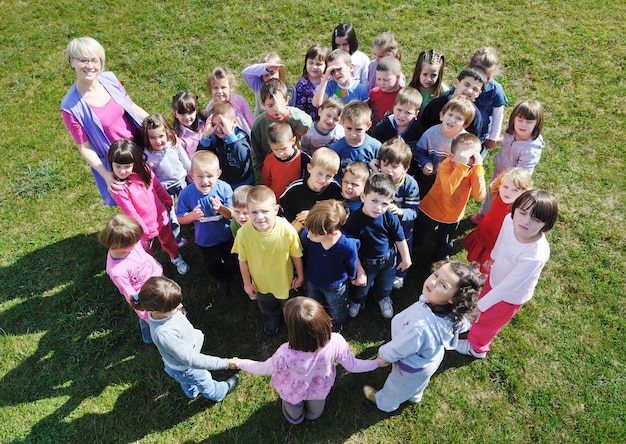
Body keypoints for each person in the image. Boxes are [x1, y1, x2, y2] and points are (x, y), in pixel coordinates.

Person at [233, 297, 384, 423]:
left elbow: (263, 368)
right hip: (319, 388)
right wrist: (377, 363)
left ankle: (296, 419)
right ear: (324, 319)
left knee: (293, 409)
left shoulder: (285, 353)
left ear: (294, 331)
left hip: (292, 390)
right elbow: (353, 366)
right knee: (316, 411)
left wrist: (240, 363)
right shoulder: (336, 341)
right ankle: (313, 416)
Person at [363, 260, 480, 412]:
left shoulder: (419, 328)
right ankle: (415, 396)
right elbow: (463, 324)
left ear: (454, 299)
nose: (432, 282)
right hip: (431, 359)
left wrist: (384, 356)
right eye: (436, 275)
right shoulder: (453, 312)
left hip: (410, 366)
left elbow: (400, 347)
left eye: (443, 285)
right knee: (419, 382)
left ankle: (385, 403)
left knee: (397, 386)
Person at [455, 190, 558, 359]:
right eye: (523, 212)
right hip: (496, 278)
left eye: (536, 219)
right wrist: (493, 258)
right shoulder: (510, 221)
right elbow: (502, 240)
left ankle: (477, 347)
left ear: (546, 225)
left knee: (489, 322)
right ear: (515, 209)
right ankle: (474, 321)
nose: (525, 221)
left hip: (510, 297)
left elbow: (508, 287)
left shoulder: (535, 255)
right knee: (484, 305)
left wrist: (479, 307)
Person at [61, 36, 149, 206]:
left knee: (157, 192)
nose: (90, 65)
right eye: (83, 60)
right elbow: (84, 147)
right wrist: (106, 175)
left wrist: (158, 126)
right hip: (119, 162)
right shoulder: (70, 107)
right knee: (138, 206)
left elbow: (131, 105)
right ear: (72, 62)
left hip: (141, 147)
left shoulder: (110, 79)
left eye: (95, 60)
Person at [133, 276, 240, 401]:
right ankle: (218, 393)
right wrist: (225, 363)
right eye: (175, 306)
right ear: (161, 309)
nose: (180, 306)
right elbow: (192, 360)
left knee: (187, 381)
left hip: (177, 366)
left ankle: (191, 392)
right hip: (187, 368)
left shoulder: (155, 312)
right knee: (204, 380)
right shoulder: (164, 334)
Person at [107, 139, 189, 275]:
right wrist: (144, 231)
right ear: (111, 164)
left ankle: (175, 257)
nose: (122, 171)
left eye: (127, 166)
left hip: (160, 217)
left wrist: (167, 200)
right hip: (142, 229)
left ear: (135, 162)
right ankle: (152, 269)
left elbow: (156, 186)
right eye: (118, 167)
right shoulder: (119, 189)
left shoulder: (144, 170)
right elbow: (131, 212)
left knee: (169, 240)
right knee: (146, 251)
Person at [232, 186, 304, 336]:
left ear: (276, 209)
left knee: (289, 305)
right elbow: (243, 261)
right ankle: (273, 316)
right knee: (267, 305)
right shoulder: (243, 233)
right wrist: (246, 283)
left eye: (265, 211)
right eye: (254, 212)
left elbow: (296, 254)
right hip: (260, 284)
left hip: (285, 281)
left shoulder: (286, 229)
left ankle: (289, 319)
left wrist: (301, 276)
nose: (259, 217)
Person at [343, 174, 411, 319]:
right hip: (365, 262)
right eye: (374, 201)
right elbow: (350, 247)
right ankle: (357, 300)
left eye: (385, 204)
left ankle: (383, 297)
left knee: (386, 285)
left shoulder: (389, 217)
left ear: (390, 202)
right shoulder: (354, 219)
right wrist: (359, 270)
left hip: (388, 261)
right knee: (361, 287)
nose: (379, 208)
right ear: (363, 197)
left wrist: (406, 259)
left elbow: (400, 237)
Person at [413, 133, 486, 261]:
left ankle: (440, 258)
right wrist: (461, 167)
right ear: (452, 157)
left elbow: (479, 196)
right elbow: (449, 189)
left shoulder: (474, 169)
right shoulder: (445, 166)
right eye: (465, 156)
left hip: (453, 214)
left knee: (445, 241)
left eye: (474, 156)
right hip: (432, 209)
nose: (471, 160)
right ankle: (407, 250)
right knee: (419, 235)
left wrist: (478, 169)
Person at [470, 100, 545, 223]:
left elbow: (523, 173)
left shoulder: (531, 150)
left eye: (529, 122)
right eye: (520, 120)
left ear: (537, 124)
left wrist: (509, 183)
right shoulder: (511, 131)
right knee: (491, 193)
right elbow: (507, 138)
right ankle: (484, 214)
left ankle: (496, 221)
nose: (523, 125)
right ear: (513, 119)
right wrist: (497, 141)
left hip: (513, 182)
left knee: (504, 202)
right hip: (499, 171)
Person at [176, 151, 236, 296]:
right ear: (191, 174)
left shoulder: (224, 188)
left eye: (210, 176)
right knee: (213, 263)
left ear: (218, 174)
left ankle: (235, 273)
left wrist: (221, 209)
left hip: (227, 236)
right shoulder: (186, 194)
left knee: (232, 258)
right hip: (205, 240)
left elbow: (233, 214)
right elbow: (179, 218)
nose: (205, 181)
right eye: (200, 176)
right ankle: (221, 279)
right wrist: (191, 216)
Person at [98, 214, 163, 344]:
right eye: (135, 242)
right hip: (146, 297)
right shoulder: (117, 271)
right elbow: (132, 296)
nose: (138, 243)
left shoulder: (132, 243)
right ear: (119, 245)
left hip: (155, 280)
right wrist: (146, 317)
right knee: (148, 319)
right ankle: (148, 336)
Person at [303, 200, 361, 332]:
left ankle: (337, 324)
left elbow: (352, 263)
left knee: (337, 307)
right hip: (313, 278)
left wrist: (353, 277)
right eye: (308, 230)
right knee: (313, 300)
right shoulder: (312, 236)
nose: (308, 235)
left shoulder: (346, 245)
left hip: (335, 285)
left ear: (333, 233)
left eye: (314, 234)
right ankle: (315, 318)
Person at [464, 168, 533, 274]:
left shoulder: (518, 210)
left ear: (524, 192)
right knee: (480, 252)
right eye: (505, 186)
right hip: (485, 229)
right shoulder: (497, 194)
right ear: (499, 185)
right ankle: (479, 263)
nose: (508, 192)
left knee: (489, 259)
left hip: (497, 240)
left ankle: (485, 273)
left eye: (515, 190)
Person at [141, 113, 191, 247]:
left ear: (167, 133)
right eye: (153, 138)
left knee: (188, 204)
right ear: (147, 138)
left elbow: (185, 160)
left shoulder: (173, 143)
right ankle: (177, 238)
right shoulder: (148, 155)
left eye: (161, 136)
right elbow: (151, 176)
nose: (158, 141)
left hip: (181, 181)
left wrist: (192, 170)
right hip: (164, 188)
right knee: (170, 215)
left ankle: (193, 224)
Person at [377, 137, 420, 290]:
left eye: (394, 166)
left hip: (403, 228)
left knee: (403, 251)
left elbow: (413, 211)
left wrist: (401, 211)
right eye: (385, 164)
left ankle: (400, 275)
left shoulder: (410, 185)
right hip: (382, 226)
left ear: (406, 168)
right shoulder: (377, 179)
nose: (388, 170)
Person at [412, 96, 475, 197]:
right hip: (430, 176)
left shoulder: (465, 142)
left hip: (450, 179)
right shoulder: (431, 133)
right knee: (422, 196)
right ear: (441, 116)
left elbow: (470, 164)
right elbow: (419, 151)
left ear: (465, 124)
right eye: (450, 115)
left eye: (458, 118)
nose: (452, 120)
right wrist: (425, 163)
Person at [250, 79, 312, 170]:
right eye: (270, 105)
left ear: (287, 100)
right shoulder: (259, 123)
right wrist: (260, 168)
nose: (276, 109)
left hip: (293, 161)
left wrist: (285, 113)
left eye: (279, 104)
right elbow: (255, 149)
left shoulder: (293, 114)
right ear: (263, 104)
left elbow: (307, 125)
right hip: (271, 166)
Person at [279, 148, 343, 233]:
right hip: (301, 229)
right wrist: (292, 221)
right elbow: (283, 207)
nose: (323, 179)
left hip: (325, 230)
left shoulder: (335, 189)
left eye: (329, 176)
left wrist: (314, 215)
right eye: (319, 174)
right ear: (309, 168)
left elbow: (343, 211)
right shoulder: (295, 189)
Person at [197, 101, 255, 190]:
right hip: (222, 184)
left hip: (244, 183)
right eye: (214, 124)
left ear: (235, 122)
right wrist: (206, 136)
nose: (219, 129)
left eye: (222, 124)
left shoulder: (240, 137)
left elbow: (243, 158)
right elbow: (200, 158)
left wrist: (230, 136)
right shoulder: (213, 137)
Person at [419, 65, 486, 138]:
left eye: (475, 89)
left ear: (479, 93)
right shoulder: (436, 104)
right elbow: (422, 127)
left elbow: (472, 142)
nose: (469, 91)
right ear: (456, 83)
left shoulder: (475, 116)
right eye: (466, 85)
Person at [470, 47, 508, 153]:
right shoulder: (464, 82)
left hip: (481, 133)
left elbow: (498, 115)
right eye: (480, 76)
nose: (483, 81)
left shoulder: (495, 90)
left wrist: (493, 138)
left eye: (488, 78)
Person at [330, 100, 381, 179]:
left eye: (358, 129)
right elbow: (332, 175)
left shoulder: (376, 147)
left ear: (368, 125)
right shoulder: (335, 149)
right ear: (342, 122)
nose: (353, 134)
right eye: (349, 128)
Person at [262, 122, 311, 200]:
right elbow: (266, 181)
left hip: (297, 198)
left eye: (284, 148)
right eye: (275, 149)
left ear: (293, 141)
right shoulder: (269, 160)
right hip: (276, 199)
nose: (280, 153)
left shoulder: (304, 158)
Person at [204, 66, 254, 136]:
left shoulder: (239, 101)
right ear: (210, 89)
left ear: (230, 87)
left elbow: (251, 121)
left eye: (223, 87)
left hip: (244, 140)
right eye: (215, 88)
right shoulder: (210, 108)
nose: (219, 91)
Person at [242, 52, 296, 117]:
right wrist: (265, 67)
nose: (269, 77)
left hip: (281, 124)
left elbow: (291, 111)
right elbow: (245, 73)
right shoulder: (259, 85)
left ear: (279, 72)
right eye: (265, 74)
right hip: (261, 125)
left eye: (272, 73)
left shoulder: (289, 89)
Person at [294, 44, 329, 121]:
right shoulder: (302, 85)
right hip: (310, 125)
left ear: (326, 65)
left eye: (318, 64)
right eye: (311, 63)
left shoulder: (329, 81)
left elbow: (338, 95)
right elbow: (300, 109)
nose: (314, 67)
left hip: (328, 122)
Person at [368, 56, 403, 127]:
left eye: (386, 80)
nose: (381, 83)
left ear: (397, 77)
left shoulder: (403, 95)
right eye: (378, 79)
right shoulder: (374, 93)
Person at [172, 91, 205, 162]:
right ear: (175, 114)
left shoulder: (205, 124)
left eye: (190, 112)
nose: (187, 117)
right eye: (182, 113)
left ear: (196, 110)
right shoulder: (178, 137)